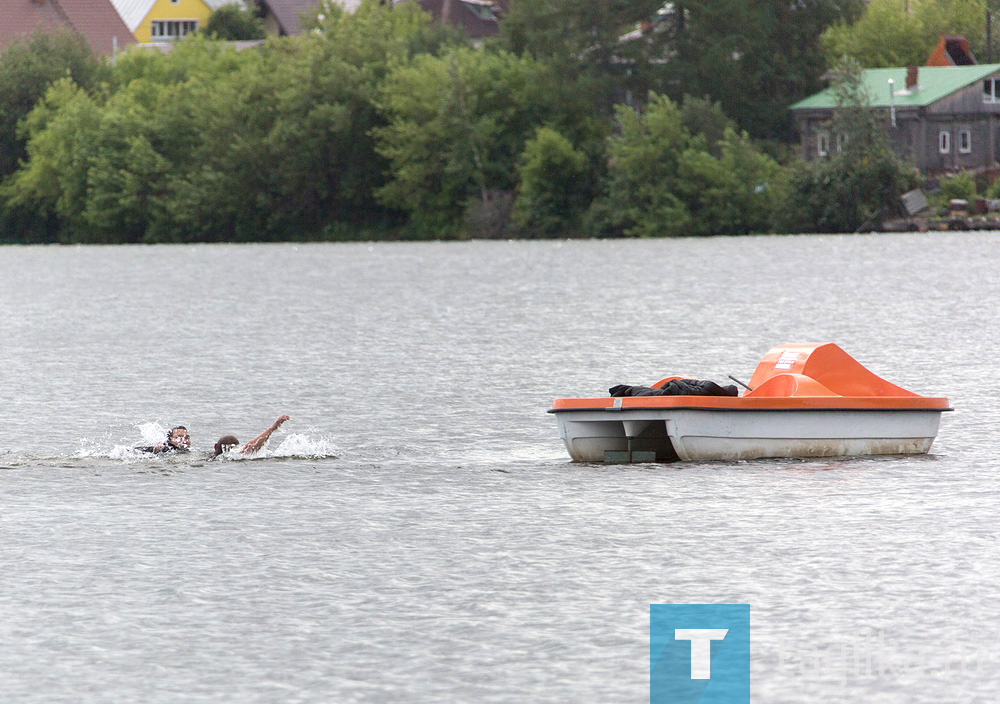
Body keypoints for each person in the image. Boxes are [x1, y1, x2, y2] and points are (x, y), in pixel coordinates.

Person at [212, 415, 290, 458]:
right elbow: (250, 446)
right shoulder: (236, 456)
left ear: (215, 446)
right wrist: (273, 428)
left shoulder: (212, 458)